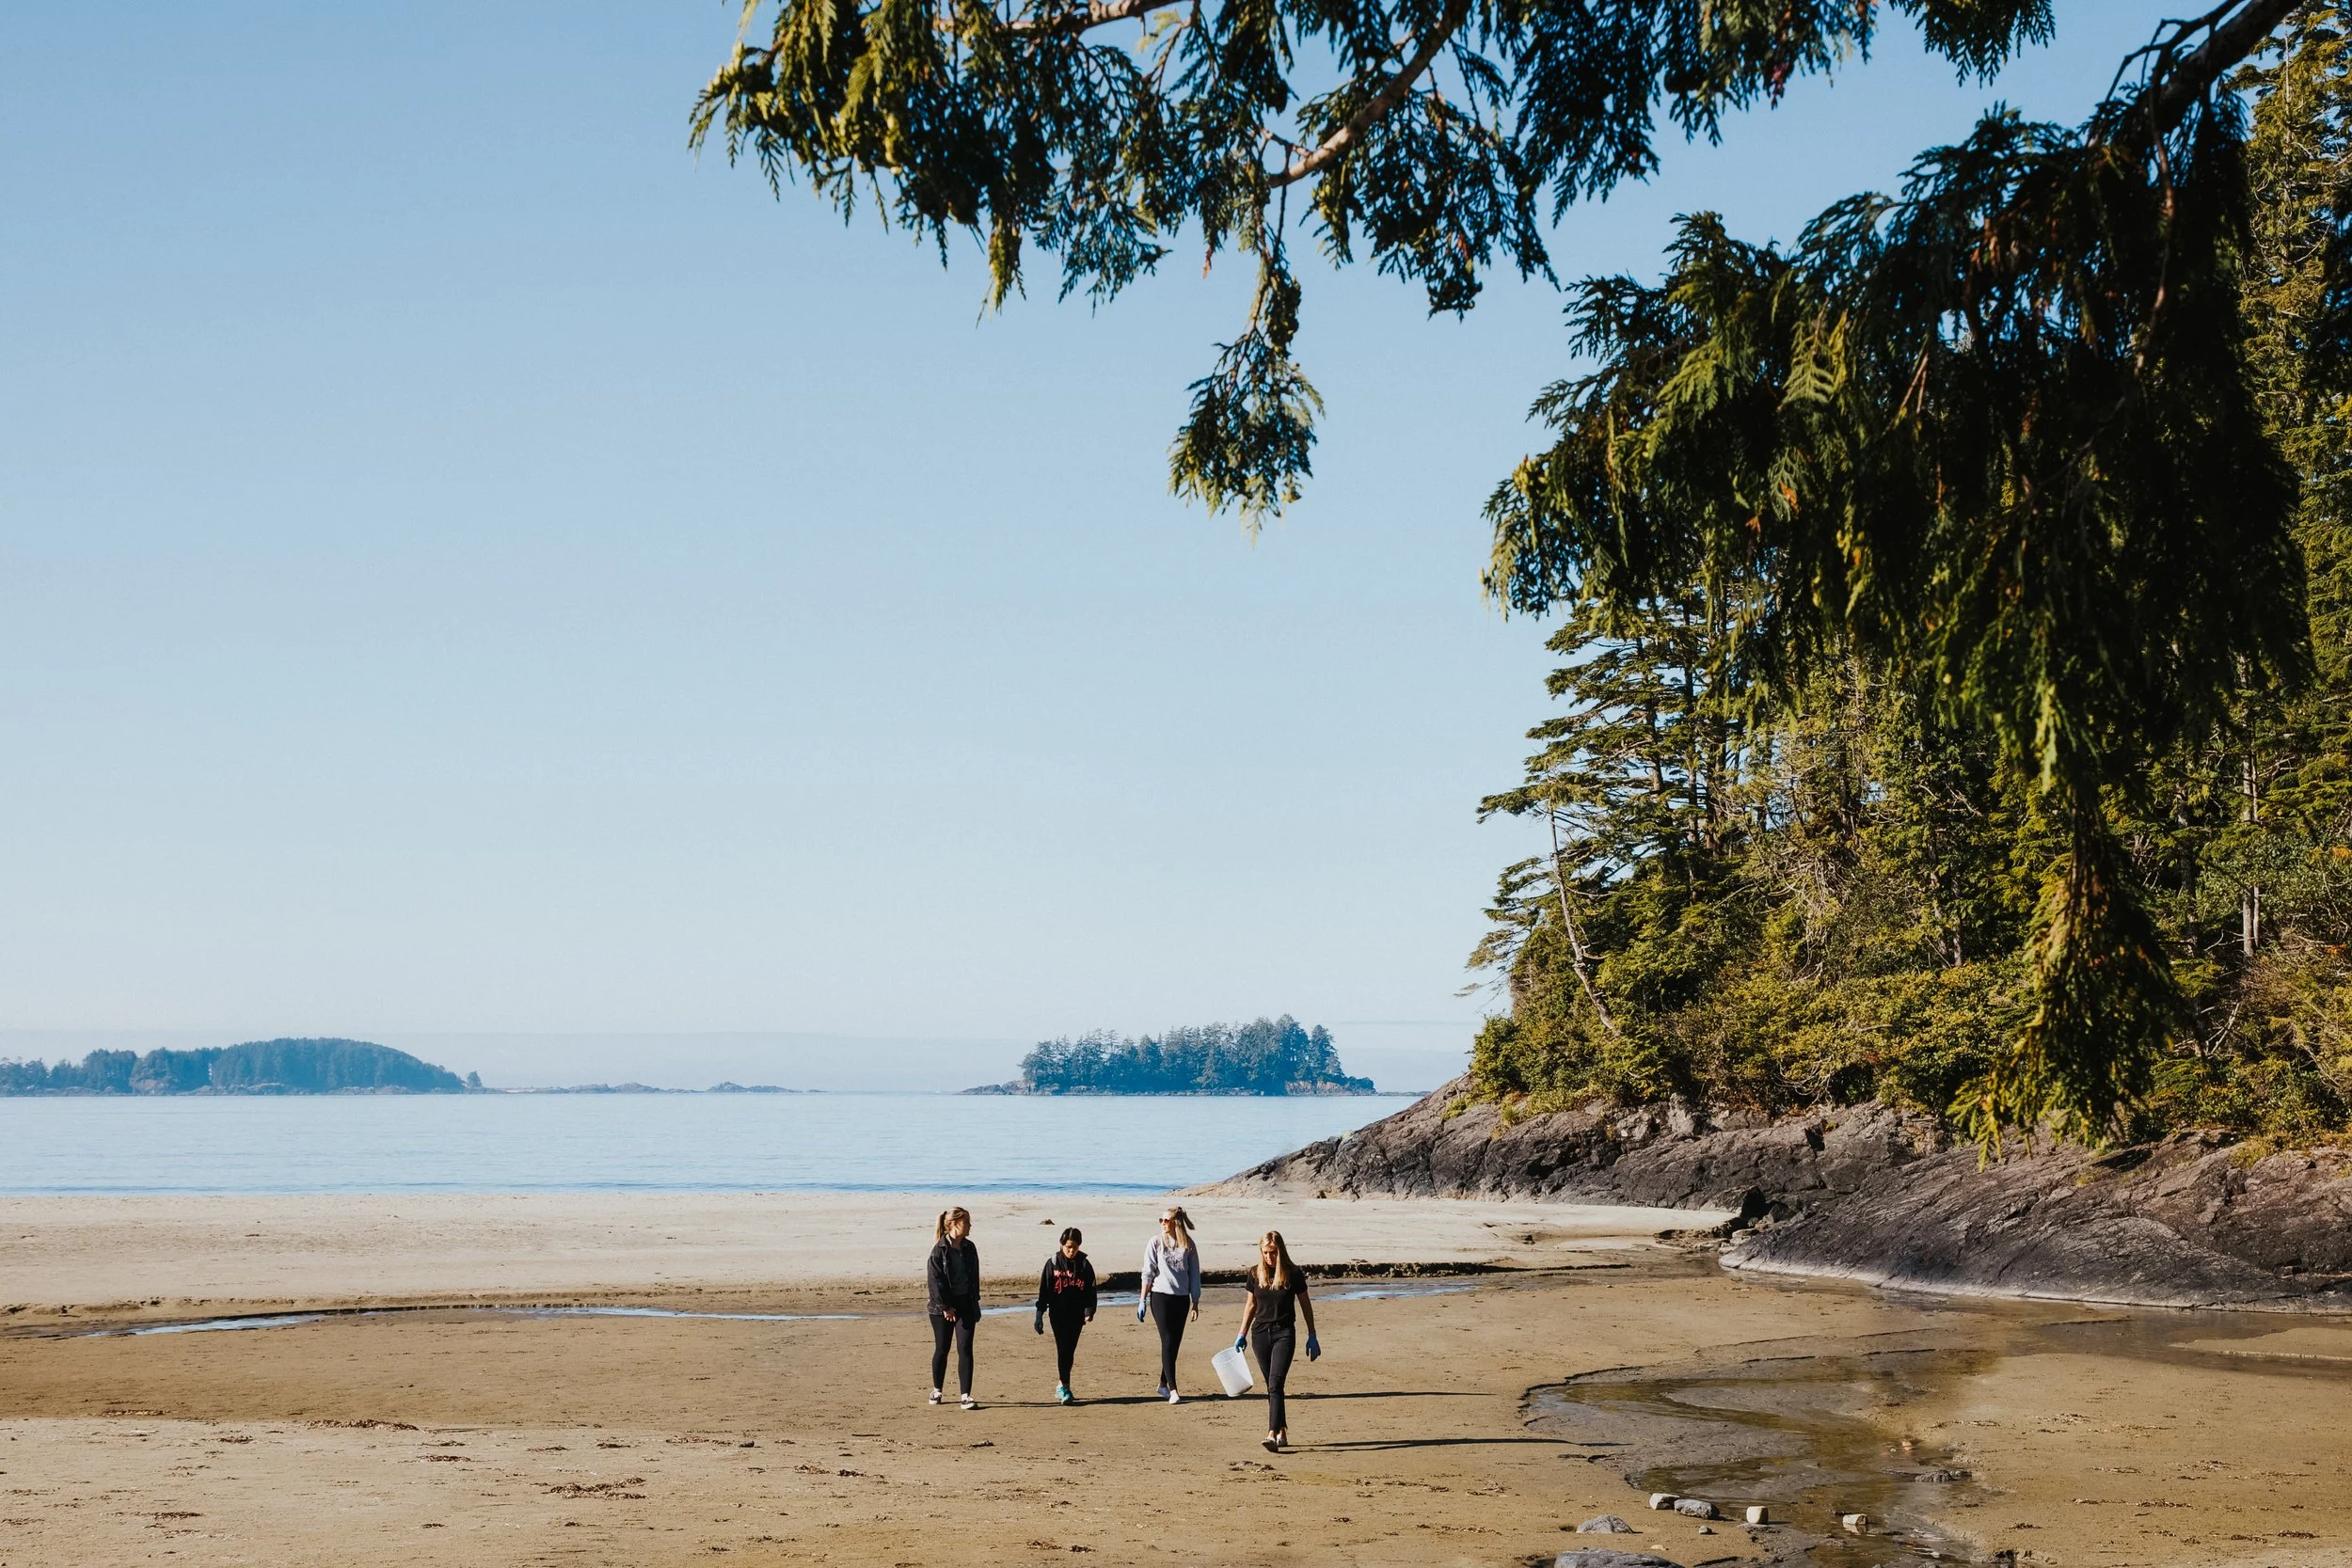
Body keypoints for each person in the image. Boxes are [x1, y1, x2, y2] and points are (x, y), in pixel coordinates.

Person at [1232, 1229, 1319, 1451]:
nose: (1269, 1257)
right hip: (1260, 1334)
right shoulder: (1255, 1273)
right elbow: (1251, 1305)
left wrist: (1312, 1334)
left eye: (1273, 1253)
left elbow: (1305, 1304)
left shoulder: (1293, 1274)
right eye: (1265, 1253)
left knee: (1275, 1383)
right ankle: (1282, 1431)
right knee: (1273, 1387)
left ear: (1280, 1251)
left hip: (1284, 1333)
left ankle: (1271, 1433)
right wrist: (1241, 1333)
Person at [1136, 1205, 1200, 1402]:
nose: (1163, 1224)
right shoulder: (1155, 1242)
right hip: (1160, 1296)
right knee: (1167, 1341)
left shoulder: (1188, 1245)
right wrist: (1142, 1299)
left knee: (1175, 1344)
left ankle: (1163, 1383)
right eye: (1161, 1220)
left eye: (1166, 1220)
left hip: (1181, 1299)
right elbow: (1148, 1272)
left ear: (1176, 1223)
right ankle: (1173, 1390)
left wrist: (1195, 1301)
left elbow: (1194, 1275)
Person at [1032, 1226, 1097, 1404]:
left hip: (1076, 1314)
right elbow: (1044, 1291)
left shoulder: (1084, 1264)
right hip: (1058, 1314)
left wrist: (1089, 1311)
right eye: (1068, 1247)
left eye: (1075, 1247)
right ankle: (1065, 1388)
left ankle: (1061, 1384)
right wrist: (1039, 1315)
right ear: (1061, 1245)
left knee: (1070, 1349)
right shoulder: (1053, 1263)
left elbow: (1091, 1290)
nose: (1071, 1251)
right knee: (1063, 1348)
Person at [926, 1206, 981, 1409]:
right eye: (966, 1222)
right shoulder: (939, 1250)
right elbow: (935, 1282)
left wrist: (974, 1301)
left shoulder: (970, 1248)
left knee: (965, 1348)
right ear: (954, 1224)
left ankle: (966, 1395)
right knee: (942, 1348)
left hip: (966, 1304)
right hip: (941, 1308)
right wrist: (945, 1307)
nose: (970, 1225)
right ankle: (937, 1390)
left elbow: (973, 1277)